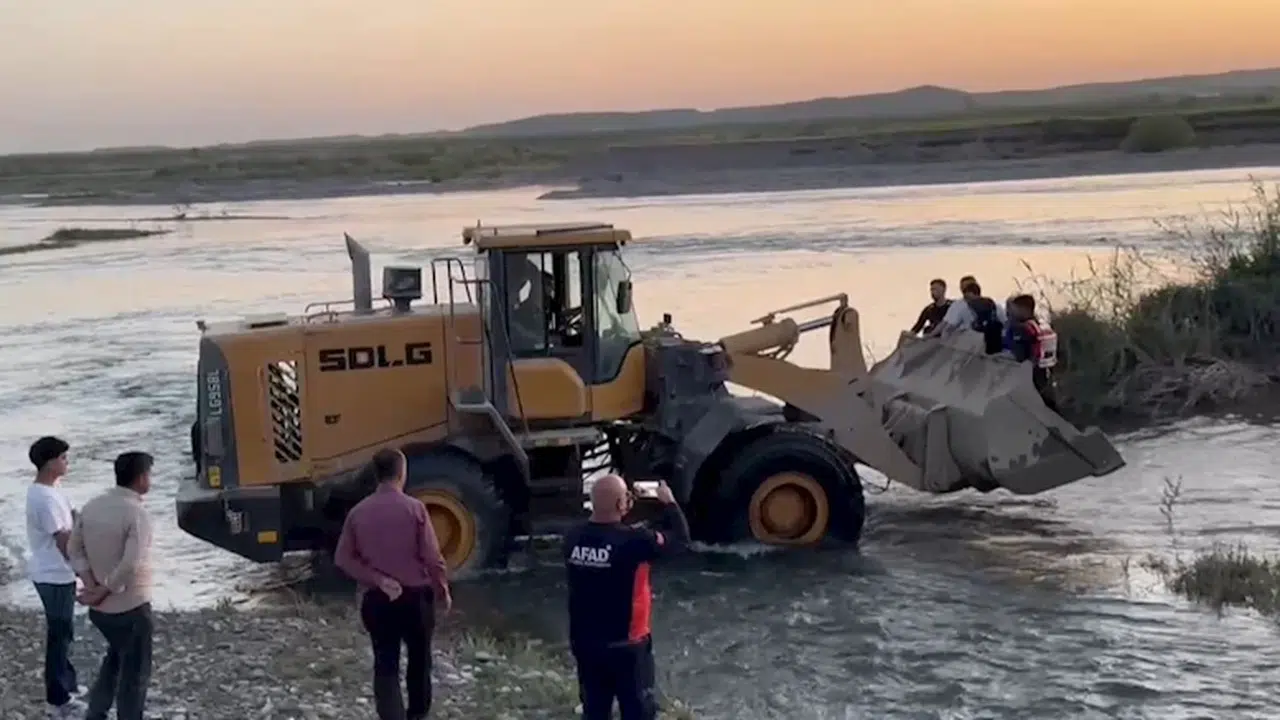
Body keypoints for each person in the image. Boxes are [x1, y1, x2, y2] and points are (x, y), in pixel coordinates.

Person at [334, 448, 452, 720]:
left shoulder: (358, 513)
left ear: (376, 475)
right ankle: (417, 714)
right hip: (416, 598)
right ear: (402, 473)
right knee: (420, 660)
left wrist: (378, 579)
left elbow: (343, 558)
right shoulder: (415, 508)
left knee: (385, 663)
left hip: (377, 598)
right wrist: (442, 590)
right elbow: (433, 558)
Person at [564, 476, 690, 720]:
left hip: (586, 645)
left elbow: (607, 537)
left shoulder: (572, 538)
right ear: (621, 504)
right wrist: (670, 504)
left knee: (595, 711)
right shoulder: (636, 541)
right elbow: (681, 541)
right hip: (628, 648)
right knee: (638, 712)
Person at [69, 451, 156, 720]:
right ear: (141, 478)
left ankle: (96, 712)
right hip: (131, 606)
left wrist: (90, 583)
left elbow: (73, 548)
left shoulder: (93, 506)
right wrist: (105, 589)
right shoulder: (137, 513)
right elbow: (130, 563)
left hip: (101, 610)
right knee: (134, 675)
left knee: (115, 660)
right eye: (149, 474)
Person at [25, 435, 87, 719]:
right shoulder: (44, 498)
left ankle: (68, 684)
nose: (67, 462)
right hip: (52, 574)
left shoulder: (52, 490)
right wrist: (82, 570)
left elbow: (71, 519)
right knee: (60, 634)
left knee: (65, 631)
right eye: (63, 458)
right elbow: (62, 539)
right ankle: (57, 698)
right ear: (50, 463)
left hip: (56, 572)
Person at [1007, 294, 1061, 411]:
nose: (1013, 312)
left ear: (1024, 309)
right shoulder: (1042, 325)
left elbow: (1020, 355)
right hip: (1047, 370)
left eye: (1015, 309)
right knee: (1048, 402)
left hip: (1032, 371)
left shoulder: (1024, 328)